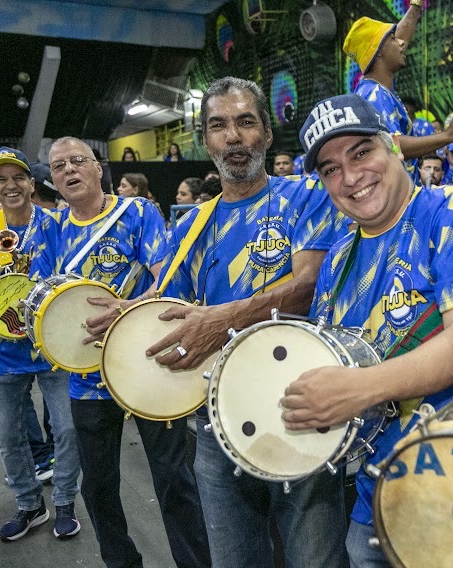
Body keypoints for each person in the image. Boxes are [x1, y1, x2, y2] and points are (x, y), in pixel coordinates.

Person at [282, 93, 453, 567]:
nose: (350, 177)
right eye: (329, 169)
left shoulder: (450, 214)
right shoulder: (340, 256)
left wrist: (359, 388)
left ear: (394, 146)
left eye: (361, 152)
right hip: (376, 490)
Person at [144, 77, 348, 568]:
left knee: (313, 560)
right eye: (218, 126)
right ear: (205, 140)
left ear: (267, 134)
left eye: (245, 122)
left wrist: (222, 320)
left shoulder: (306, 196)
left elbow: (306, 287)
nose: (233, 137)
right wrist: (123, 310)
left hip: (302, 410)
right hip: (217, 420)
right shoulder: (190, 223)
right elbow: (170, 304)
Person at [29, 137, 210, 568]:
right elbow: (45, 299)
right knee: (98, 485)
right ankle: (121, 562)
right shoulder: (49, 228)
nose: (69, 170)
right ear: (53, 179)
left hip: (146, 365)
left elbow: (166, 281)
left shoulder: (137, 212)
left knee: (173, 479)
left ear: (97, 168)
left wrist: (126, 312)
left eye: (77, 161)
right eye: (58, 166)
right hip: (86, 377)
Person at [0, 147, 81, 541]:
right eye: (1, 179)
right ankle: (30, 506)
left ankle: (64, 502)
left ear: (31, 183)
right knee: (9, 436)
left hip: (54, 347)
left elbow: (72, 279)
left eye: (18, 177)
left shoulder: (58, 225)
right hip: (1, 352)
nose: (10, 185)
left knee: (67, 430)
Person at [343, 4, 453, 182]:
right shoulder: (374, 94)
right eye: (392, 39)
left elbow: (400, 38)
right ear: (379, 51)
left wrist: (416, 7)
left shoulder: (376, 86)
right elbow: (391, 145)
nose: (402, 43)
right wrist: (449, 135)